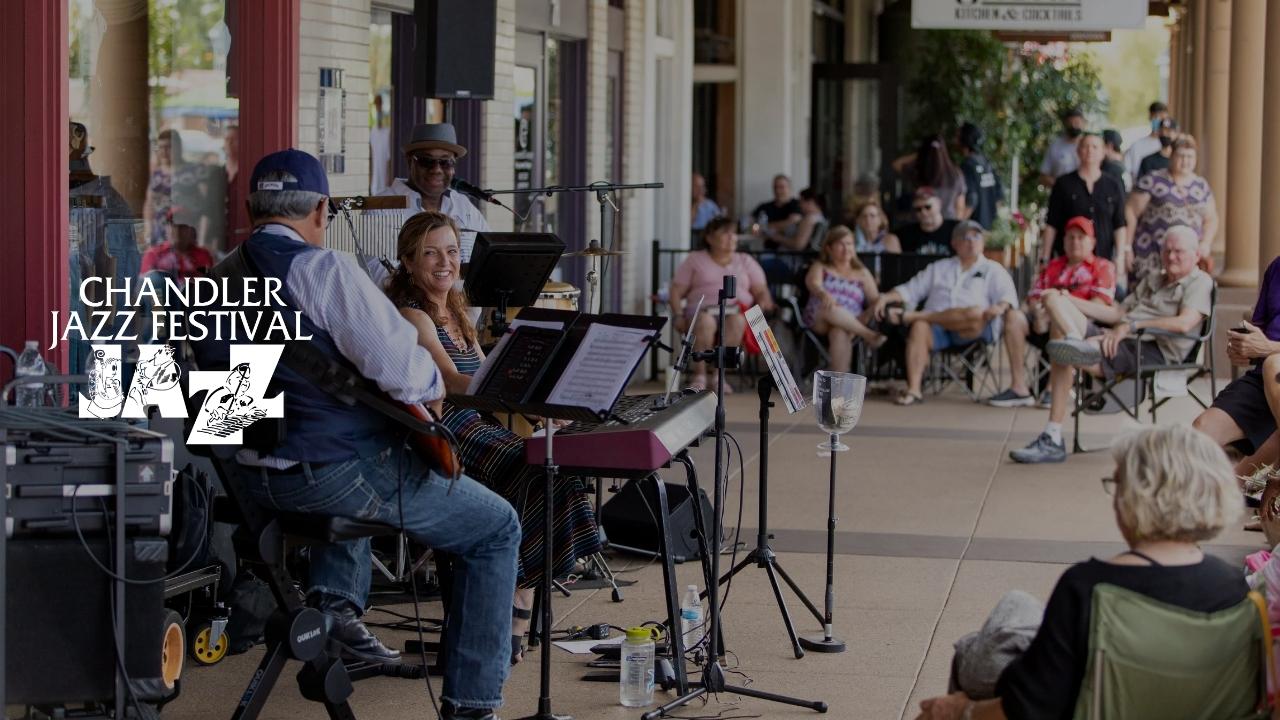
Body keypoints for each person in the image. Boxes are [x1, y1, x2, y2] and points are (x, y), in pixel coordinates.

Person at [199, 149, 520, 720]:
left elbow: (223, 405)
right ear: (322, 210)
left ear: (251, 209)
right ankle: (472, 706)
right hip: (328, 477)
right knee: (495, 527)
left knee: (355, 439)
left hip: (251, 484)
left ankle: (337, 613)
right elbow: (412, 377)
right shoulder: (325, 270)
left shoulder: (215, 278)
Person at [387, 211, 602, 666]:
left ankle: (518, 598)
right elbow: (452, 382)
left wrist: (547, 413)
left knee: (551, 465)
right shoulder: (413, 314)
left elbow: (494, 378)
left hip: (477, 427)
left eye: (451, 251)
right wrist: (526, 398)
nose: (445, 262)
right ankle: (517, 610)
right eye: (430, 253)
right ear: (408, 262)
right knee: (532, 467)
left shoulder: (457, 311)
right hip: (444, 433)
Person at [917, 424, 1246, 720]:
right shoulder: (1235, 588)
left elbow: (1025, 710)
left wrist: (960, 710)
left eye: (1117, 484)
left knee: (976, 654)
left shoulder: (1090, 588)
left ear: (1136, 495)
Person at [1012, 227, 1211, 463]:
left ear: (1196, 254)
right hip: (1117, 336)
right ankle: (1075, 341)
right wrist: (1069, 299)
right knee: (1053, 298)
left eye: (1179, 251)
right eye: (1167, 251)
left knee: (1062, 348)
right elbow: (1117, 313)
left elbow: (1184, 323)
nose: (1171, 256)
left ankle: (1053, 435)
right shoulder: (1154, 278)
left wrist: (1132, 327)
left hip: (1151, 349)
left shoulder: (1199, 282)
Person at [871, 220, 1018, 407]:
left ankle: (915, 316)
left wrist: (999, 307)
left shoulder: (993, 269)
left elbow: (1007, 297)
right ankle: (914, 390)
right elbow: (911, 289)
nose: (971, 241)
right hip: (938, 331)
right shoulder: (939, 267)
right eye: (965, 237)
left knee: (975, 312)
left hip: (972, 329)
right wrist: (885, 298)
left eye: (976, 236)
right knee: (920, 326)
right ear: (954, 243)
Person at [987, 217, 1116, 408]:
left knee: (1059, 318)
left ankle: (1052, 389)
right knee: (1014, 316)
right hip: (1042, 322)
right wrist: (1038, 314)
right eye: (1070, 237)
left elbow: (1099, 305)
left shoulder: (1103, 267)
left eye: (1081, 237)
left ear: (1093, 242)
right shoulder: (1053, 266)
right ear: (1063, 241)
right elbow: (1033, 297)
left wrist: (1060, 307)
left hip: (1079, 328)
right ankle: (1019, 388)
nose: (1075, 242)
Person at [1192, 253, 1280, 472]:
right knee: (1201, 432)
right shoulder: (1277, 267)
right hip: (1262, 379)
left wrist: (1269, 348)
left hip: (1275, 368)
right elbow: (1259, 328)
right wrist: (1245, 348)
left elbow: (1269, 348)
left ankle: (1246, 486)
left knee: (1273, 365)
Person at [669, 216, 776, 391]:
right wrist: (678, 315)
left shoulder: (744, 260)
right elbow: (675, 290)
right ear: (709, 238)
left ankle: (719, 376)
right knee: (705, 322)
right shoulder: (695, 259)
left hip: (735, 311)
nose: (731, 237)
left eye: (733, 233)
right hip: (702, 313)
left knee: (737, 321)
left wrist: (764, 299)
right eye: (725, 233)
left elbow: (760, 289)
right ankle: (700, 375)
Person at [378, 122, 490, 263]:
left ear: (453, 166)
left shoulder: (463, 205)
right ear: (409, 161)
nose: (437, 169)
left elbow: (490, 259)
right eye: (426, 161)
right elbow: (381, 275)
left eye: (445, 162)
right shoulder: (381, 207)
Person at [1125, 136, 1218, 283]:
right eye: (1181, 155)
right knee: (1147, 298)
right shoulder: (1152, 180)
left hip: (1187, 259)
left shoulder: (1201, 185)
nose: (1185, 161)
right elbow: (1130, 212)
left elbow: (1211, 219)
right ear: (1171, 155)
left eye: (1190, 156)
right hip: (1152, 255)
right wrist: (1127, 247)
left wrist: (1205, 243)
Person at [803, 226, 886, 373]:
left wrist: (880, 302)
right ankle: (868, 335)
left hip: (853, 322)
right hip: (821, 317)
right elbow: (813, 283)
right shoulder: (821, 266)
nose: (846, 248)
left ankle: (838, 388)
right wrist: (823, 294)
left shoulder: (862, 273)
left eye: (850, 244)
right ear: (829, 248)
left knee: (839, 331)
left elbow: (875, 299)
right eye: (841, 244)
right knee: (831, 307)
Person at [1041, 133, 1127, 267]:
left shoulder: (1113, 185)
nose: (1090, 151)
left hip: (1103, 261)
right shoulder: (1063, 184)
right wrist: (1044, 258)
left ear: (1103, 152)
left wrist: (1120, 256)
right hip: (1068, 262)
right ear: (1078, 151)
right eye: (1085, 146)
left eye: (1095, 147)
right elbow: (1052, 223)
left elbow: (1120, 224)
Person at [894, 135, 968, 220]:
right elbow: (960, 206)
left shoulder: (917, 171)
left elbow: (897, 164)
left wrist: (922, 153)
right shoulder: (955, 173)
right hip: (948, 221)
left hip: (921, 222)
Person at [956, 122, 1003, 230]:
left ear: (964, 139)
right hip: (989, 229)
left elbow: (971, 200)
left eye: (957, 136)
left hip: (973, 230)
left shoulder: (967, 166)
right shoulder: (986, 162)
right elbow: (999, 196)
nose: (955, 141)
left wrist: (957, 227)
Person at [895, 187, 959, 256]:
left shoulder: (957, 229)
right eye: (918, 209)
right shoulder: (905, 234)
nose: (923, 212)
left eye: (928, 207)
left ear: (939, 204)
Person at [140, 222, 214, 281]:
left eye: (182, 227)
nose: (177, 230)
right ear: (166, 229)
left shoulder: (203, 255)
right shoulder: (153, 255)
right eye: (173, 225)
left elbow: (209, 285)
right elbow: (146, 288)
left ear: (190, 230)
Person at [762, 187, 826, 251]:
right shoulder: (819, 217)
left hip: (787, 258)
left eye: (801, 201)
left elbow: (798, 245)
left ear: (810, 202)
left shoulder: (809, 219)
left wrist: (778, 238)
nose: (799, 205)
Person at [1038, 107, 1086, 187]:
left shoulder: (1090, 145)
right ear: (1065, 124)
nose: (1074, 126)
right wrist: (1061, 186)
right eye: (1070, 123)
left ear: (1083, 123)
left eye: (1077, 123)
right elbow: (1043, 176)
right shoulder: (1055, 146)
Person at [1122, 101, 1169, 180]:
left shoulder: (1169, 147)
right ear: (1150, 117)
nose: (1159, 121)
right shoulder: (1137, 145)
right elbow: (1127, 172)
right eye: (1156, 117)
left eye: (1162, 119)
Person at [751, 174, 802, 239]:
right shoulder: (764, 206)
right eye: (775, 187)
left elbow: (791, 222)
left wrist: (764, 227)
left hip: (788, 246)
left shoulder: (797, 204)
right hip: (763, 244)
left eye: (781, 187)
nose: (778, 191)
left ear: (790, 188)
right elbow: (750, 221)